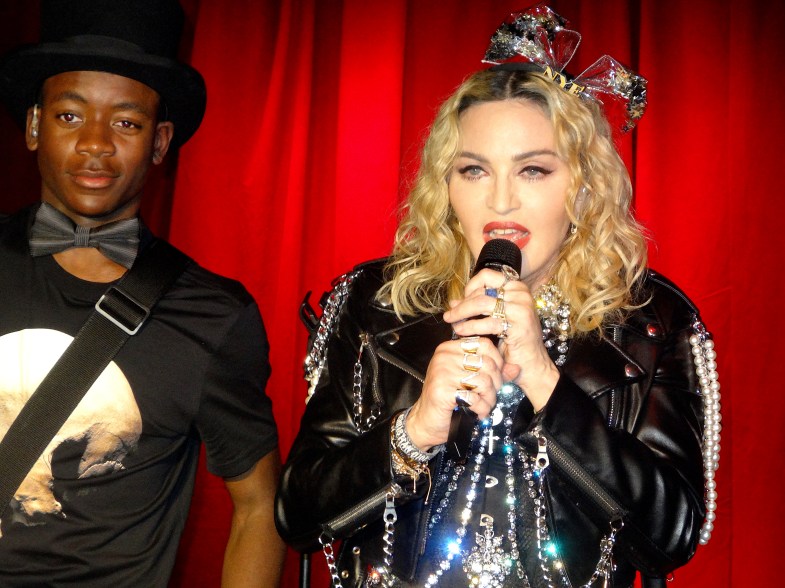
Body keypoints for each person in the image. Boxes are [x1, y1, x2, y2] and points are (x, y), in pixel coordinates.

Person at [276, 5, 720, 588]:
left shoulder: (651, 319)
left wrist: (542, 379)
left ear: (583, 188)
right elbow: (297, 515)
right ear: (446, 186)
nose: (501, 202)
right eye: (474, 171)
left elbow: (672, 534)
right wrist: (414, 432)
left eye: (533, 170)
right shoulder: (376, 302)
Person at [0, 0, 285, 586]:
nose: (97, 144)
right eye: (70, 116)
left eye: (126, 123)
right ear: (33, 126)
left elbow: (259, 506)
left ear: (159, 143)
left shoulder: (214, 315)